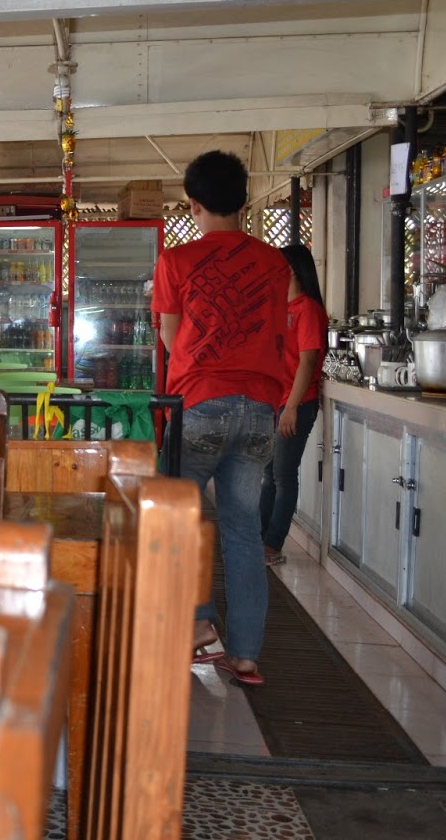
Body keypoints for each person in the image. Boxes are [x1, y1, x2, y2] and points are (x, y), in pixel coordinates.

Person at [152, 150, 290, 687]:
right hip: (259, 409)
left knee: (177, 522)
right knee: (242, 530)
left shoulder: (176, 261)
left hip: (200, 405)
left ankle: (198, 622)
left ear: (194, 203)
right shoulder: (275, 263)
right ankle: (248, 655)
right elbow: (277, 334)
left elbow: (169, 336)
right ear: (243, 200)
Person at [260, 244, 328, 567]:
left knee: (283, 476)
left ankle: (272, 544)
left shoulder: (308, 310)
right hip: (277, 402)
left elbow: (308, 361)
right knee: (269, 474)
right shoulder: (279, 307)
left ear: (292, 270)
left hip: (297, 404)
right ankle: (258, 539)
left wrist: (291, 408)